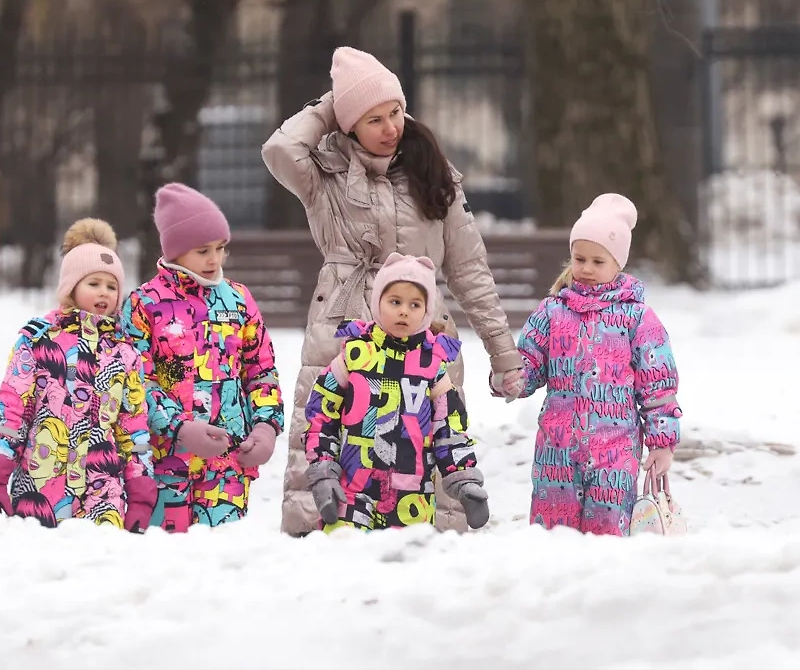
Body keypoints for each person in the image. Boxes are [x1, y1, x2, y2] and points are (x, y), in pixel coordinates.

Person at [262, 46, 525, 536]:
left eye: (396, 112)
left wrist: (503, 354)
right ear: (347, 126)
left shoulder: (434, 175)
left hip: (423, 324)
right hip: (343, 320)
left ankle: (436, 532)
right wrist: (333, 103)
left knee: (432, 428)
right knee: (329, 425)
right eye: (373, 118)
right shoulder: (326, 176)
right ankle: (325, 522)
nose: (390, 128)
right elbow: (279, 151)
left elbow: (470, 270)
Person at [491, 193, 682, 536]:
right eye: (580, 259)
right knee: (553, 531)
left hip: (616, 448)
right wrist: (511, 378)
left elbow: (658, 384)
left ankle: (605, 586)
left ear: (618, 264)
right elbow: (530, 363)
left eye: (598, 261)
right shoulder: (552, 311)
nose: (587, 269)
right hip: (557, 447)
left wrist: (662, 442)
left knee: (607, 532)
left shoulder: (637, 317)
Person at [121, 183, 285, 532]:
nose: (214, 259)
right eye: (202, 250)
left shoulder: (238, 300)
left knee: (222, 557)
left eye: (220, 248)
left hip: (228, 463)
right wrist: (178, 427)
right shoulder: (145, 304)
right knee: (172, 559)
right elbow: (138, 380)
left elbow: (261, 370)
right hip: (168, 461)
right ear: (176, 251)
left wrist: (266, 426)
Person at [0, 218, 156, 531]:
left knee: (100, 561)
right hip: (41, 484)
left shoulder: (124, 352)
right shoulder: (38, 340)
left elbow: (133, 426)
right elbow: (13, 408)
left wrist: (140, 491)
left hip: (102, 489)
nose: (104, 292)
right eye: (94, 283)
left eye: (112, 286)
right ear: (71, 287)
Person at [304, 253, 490, 532]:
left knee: (405, 564)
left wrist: (464, 478)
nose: (404, 311)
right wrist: (323, 469)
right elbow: (322, 413)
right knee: (345, 558)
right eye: (395, 302)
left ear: (426, 312)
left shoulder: (432, 368)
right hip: (354, 490)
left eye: (415, 304)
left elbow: (448, 428)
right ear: (377, 303)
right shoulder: (354, 356)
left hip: (411, 498)